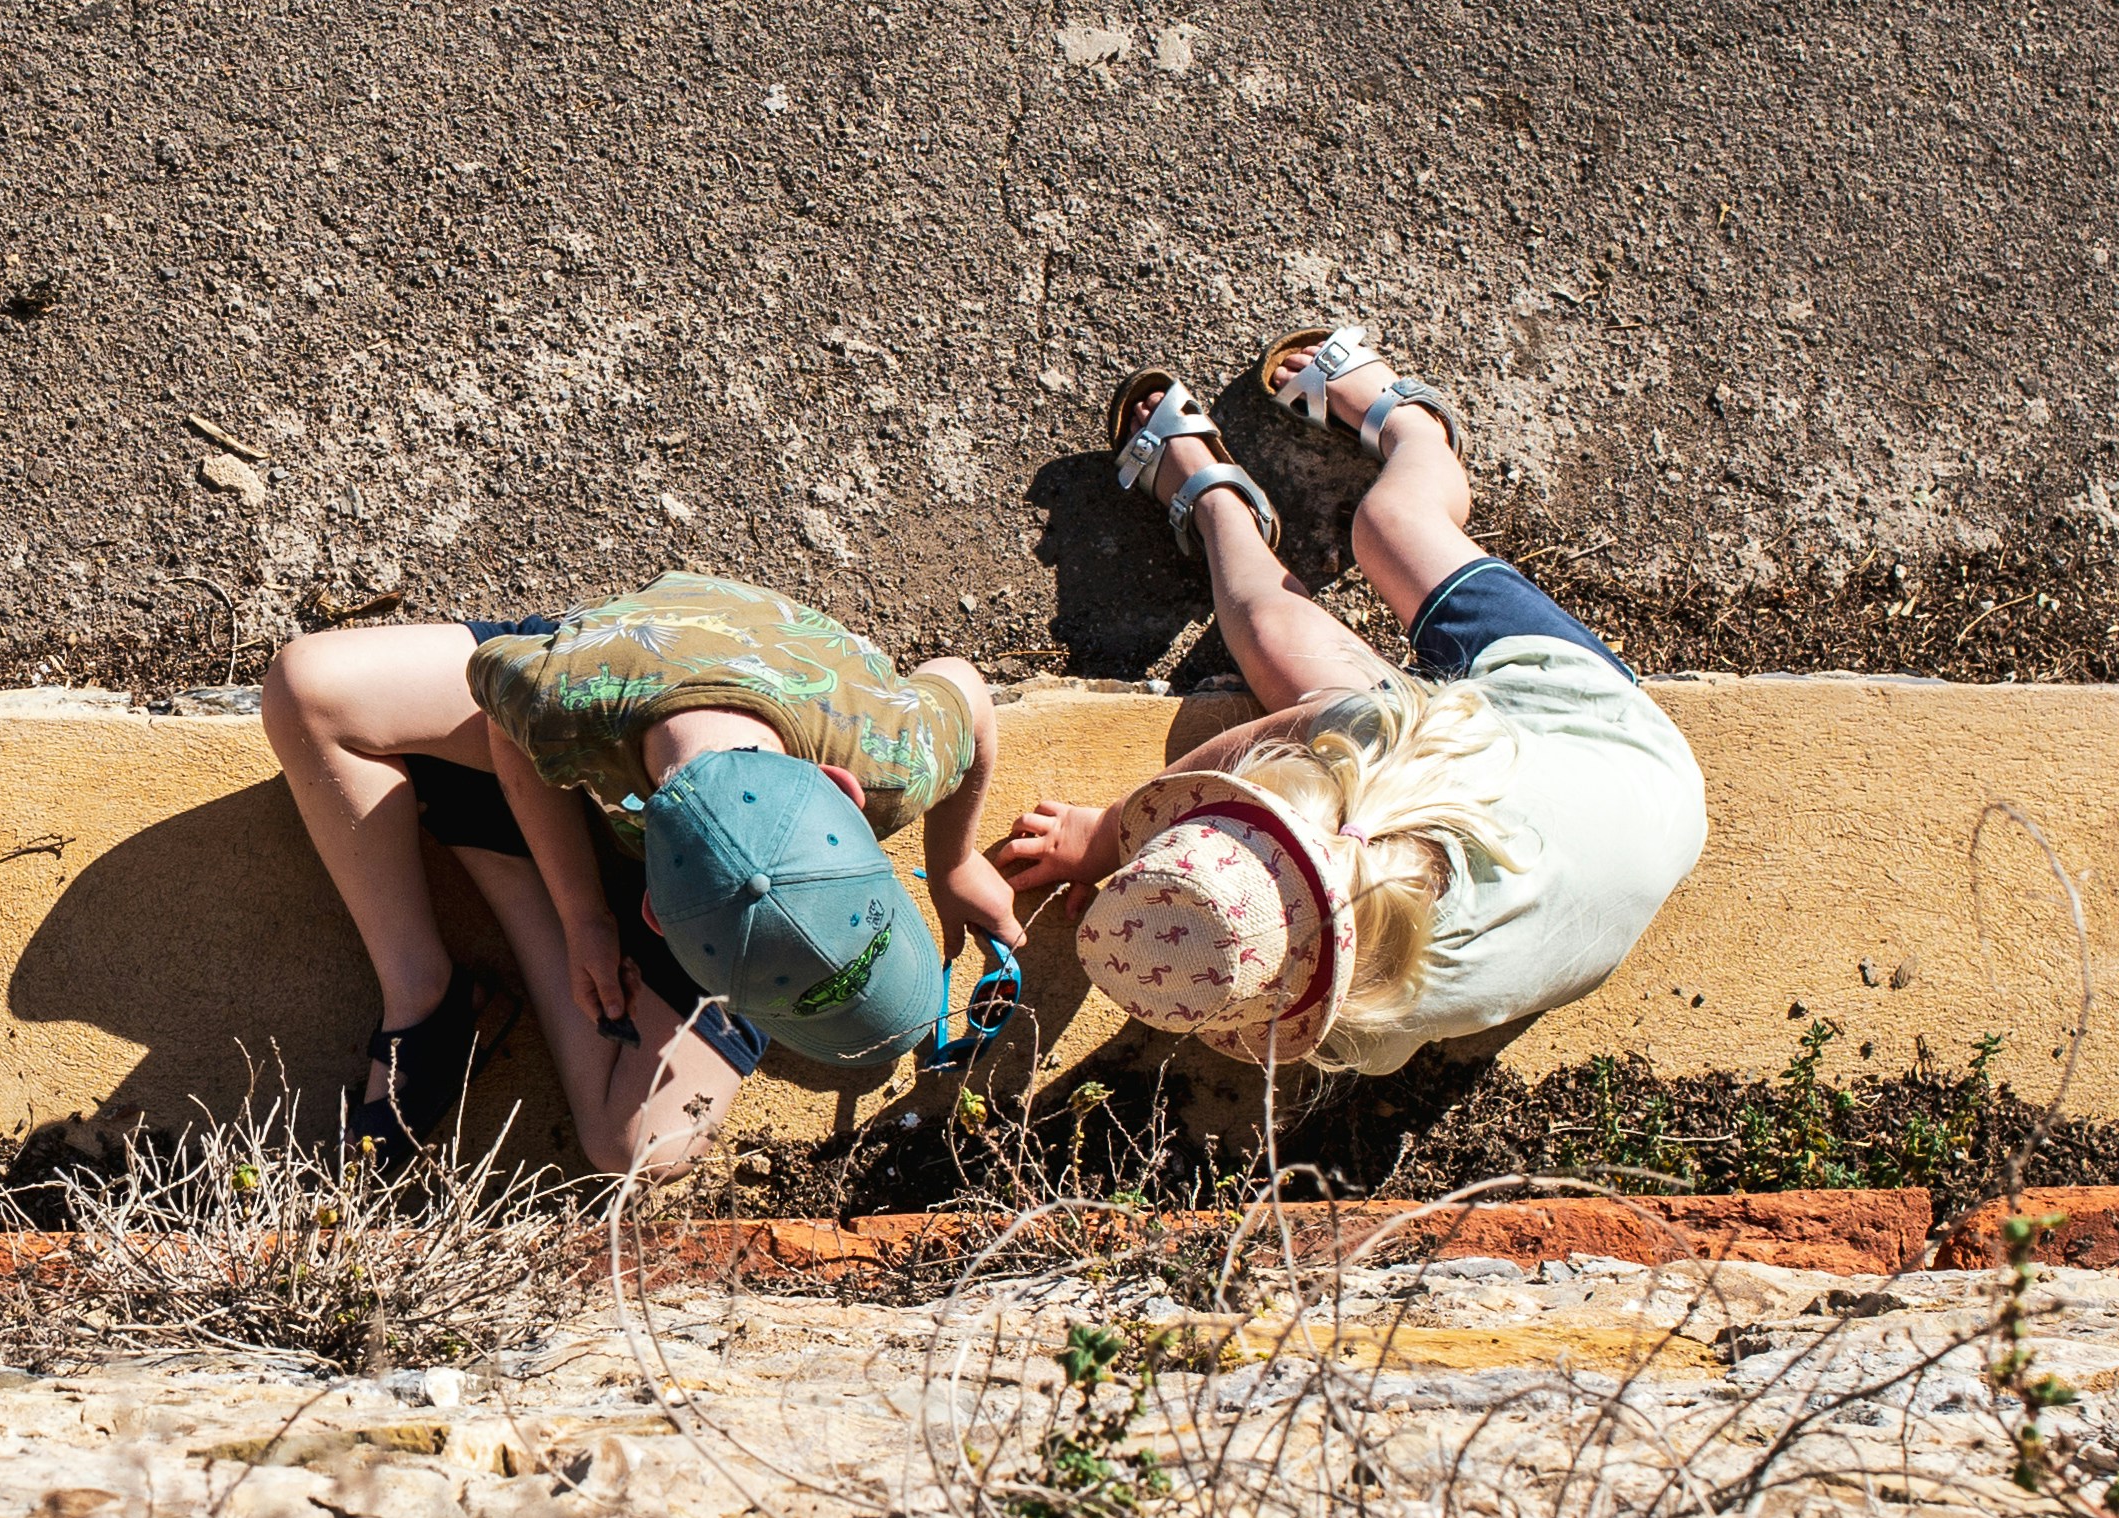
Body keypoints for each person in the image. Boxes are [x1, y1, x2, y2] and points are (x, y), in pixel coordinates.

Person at [985, 322, 1703, 1081]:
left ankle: (1236, 502)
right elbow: (1263, 740)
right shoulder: (1388, 757)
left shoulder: (1375, 1023)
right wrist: (1106, 835)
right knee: (1388, 527)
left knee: (1277, 625)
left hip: (1630, 825)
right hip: (1587, 726)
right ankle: (1408, 433)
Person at [259, 572, 1023, 1176]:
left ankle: (497, 837)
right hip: (619, 677)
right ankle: (424, 987)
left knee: (633, 1149)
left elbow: (965, 686)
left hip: (693, 710)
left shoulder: (894, 752)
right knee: (304, 689)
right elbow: (506, 729)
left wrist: (953, 862)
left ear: (846, 789)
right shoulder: (569, 701)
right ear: (653, 915)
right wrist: (583, 916)